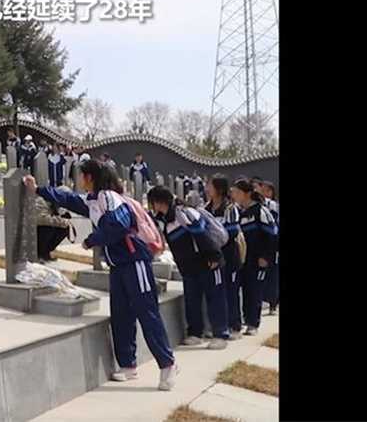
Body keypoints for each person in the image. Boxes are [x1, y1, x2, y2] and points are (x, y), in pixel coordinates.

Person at [24, 160, 179, 390]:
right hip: (118, 265)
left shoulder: (110, 198)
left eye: (81, 175)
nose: (79, 180)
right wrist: (38, 189)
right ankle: (128, 364)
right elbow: (68, 199)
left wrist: (92, 240)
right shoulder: (93, 200)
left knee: (147, 313)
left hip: (135, 262)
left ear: (90, 177)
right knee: (121, 314)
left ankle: (168, 364)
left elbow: (119, 224)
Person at [147, 186, 230, 349]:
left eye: (152, 202)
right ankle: (195, 333)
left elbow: (203, 235)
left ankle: (220, 334)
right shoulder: (164, 220)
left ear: (159, 202)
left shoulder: (184, 214)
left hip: (208, 263)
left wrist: (213, 256)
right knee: (192, 300)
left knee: (215, 298)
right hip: (189, 267)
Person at [231, 179, 278, 335]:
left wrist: (266, 256)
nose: (234, 195)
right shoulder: (239, 212)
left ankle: (253, 323)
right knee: (245, 290)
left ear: (247, 194)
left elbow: (272, 235)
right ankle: (245, 319)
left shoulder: (261, 211)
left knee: (254, 291)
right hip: (243, 259)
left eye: (237, 192)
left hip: (258, 260)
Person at [206, 175, 244, 338]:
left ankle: (235, 325)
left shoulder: (230, 209)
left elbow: (233, 231)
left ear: (219, 189)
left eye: (210, 185)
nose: (207, 188)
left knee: (231, 291)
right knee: (216, 292)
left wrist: (217, 238)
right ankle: (219, 325)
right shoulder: (207, 209)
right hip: (214, 256)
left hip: (229, 255)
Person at [35, 186, 72, 262]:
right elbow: (42, 219)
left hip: (44, 227)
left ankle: (46, 252)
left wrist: (64, 218)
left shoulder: (58, 204)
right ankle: (39, 254)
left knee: (65, 228)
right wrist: (61, 221)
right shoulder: (42, 200)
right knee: (48, 228)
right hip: (36, 229)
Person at [261, 181, 279, 315]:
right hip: (264, 243)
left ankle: (273, 303)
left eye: (264, 190)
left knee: (273, 275)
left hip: (273, 243)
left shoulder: (272, 205)